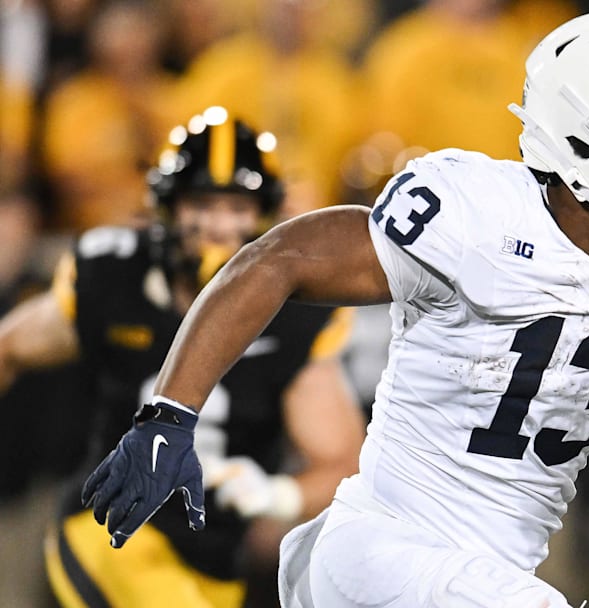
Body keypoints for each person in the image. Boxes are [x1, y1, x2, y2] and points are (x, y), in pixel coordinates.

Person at [78, 10, 589, 608]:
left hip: (494, 569)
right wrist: (170, 412)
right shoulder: (477, 213)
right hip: (377, 550)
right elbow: (277, 259)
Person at [0, 106, 365, 607]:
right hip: (111, 535)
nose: (218, 225)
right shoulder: (117, 274)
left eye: (236, 207)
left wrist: (277, 494)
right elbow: (9, 349)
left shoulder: (297, 320)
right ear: (169, 208)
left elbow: (341, 460)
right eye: (202, 204)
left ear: (264, 216)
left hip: (213, 565)